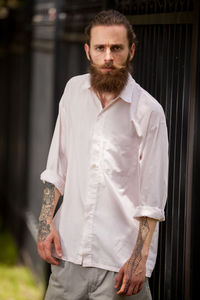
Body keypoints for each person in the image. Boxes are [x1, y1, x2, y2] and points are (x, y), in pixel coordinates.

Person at [37, 9, 168, 300]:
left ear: (131, 51)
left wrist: (139, 260)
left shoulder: (149, 112)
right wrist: (45, 224)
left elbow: (152, 198)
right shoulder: (73, 91)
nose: (108, 56)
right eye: (100, 48)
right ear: (88, 51)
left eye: (116, 48)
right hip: (67, 258)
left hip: (119, 267)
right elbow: (57, 166)